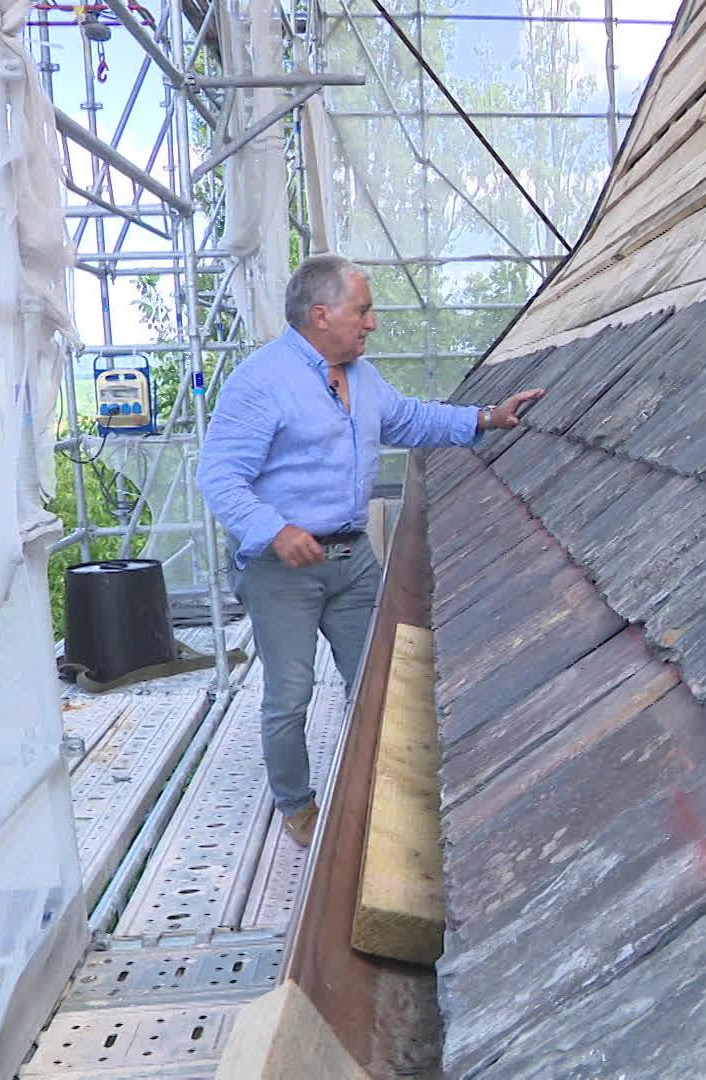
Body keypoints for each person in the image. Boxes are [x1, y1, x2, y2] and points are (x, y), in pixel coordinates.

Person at [199, 253, 544, 846]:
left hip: (351, 561)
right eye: (362, 311)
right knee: (290, 694)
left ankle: (387, 795)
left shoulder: (361, 378)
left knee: (380, 681)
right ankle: (298, 807)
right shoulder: (261, 383)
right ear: (321, 314)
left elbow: (410, 420)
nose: (372, 323)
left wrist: (486, 418)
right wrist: (276, 531)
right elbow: (218, 477)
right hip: (282, 569)